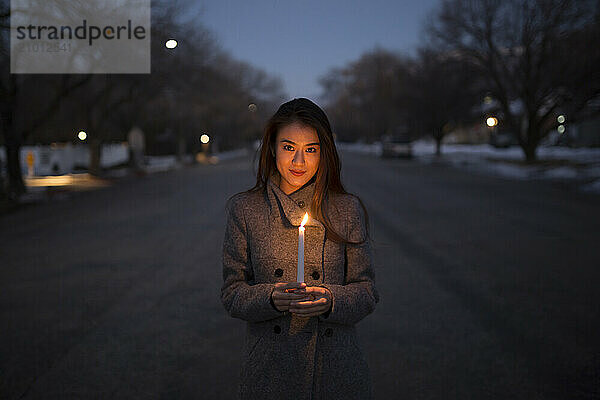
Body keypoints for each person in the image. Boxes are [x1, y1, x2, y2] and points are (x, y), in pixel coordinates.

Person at [221, 98, 379, 400]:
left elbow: (367, 291)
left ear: (324, 153)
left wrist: (331, 300)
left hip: (337, 372)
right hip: (270, 372)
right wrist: (270, 297)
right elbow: (231, 292)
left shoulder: (346, 209)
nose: (299, 162)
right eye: (289, 147)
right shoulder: (245, 209)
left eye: (311, 150)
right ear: (272, 147)